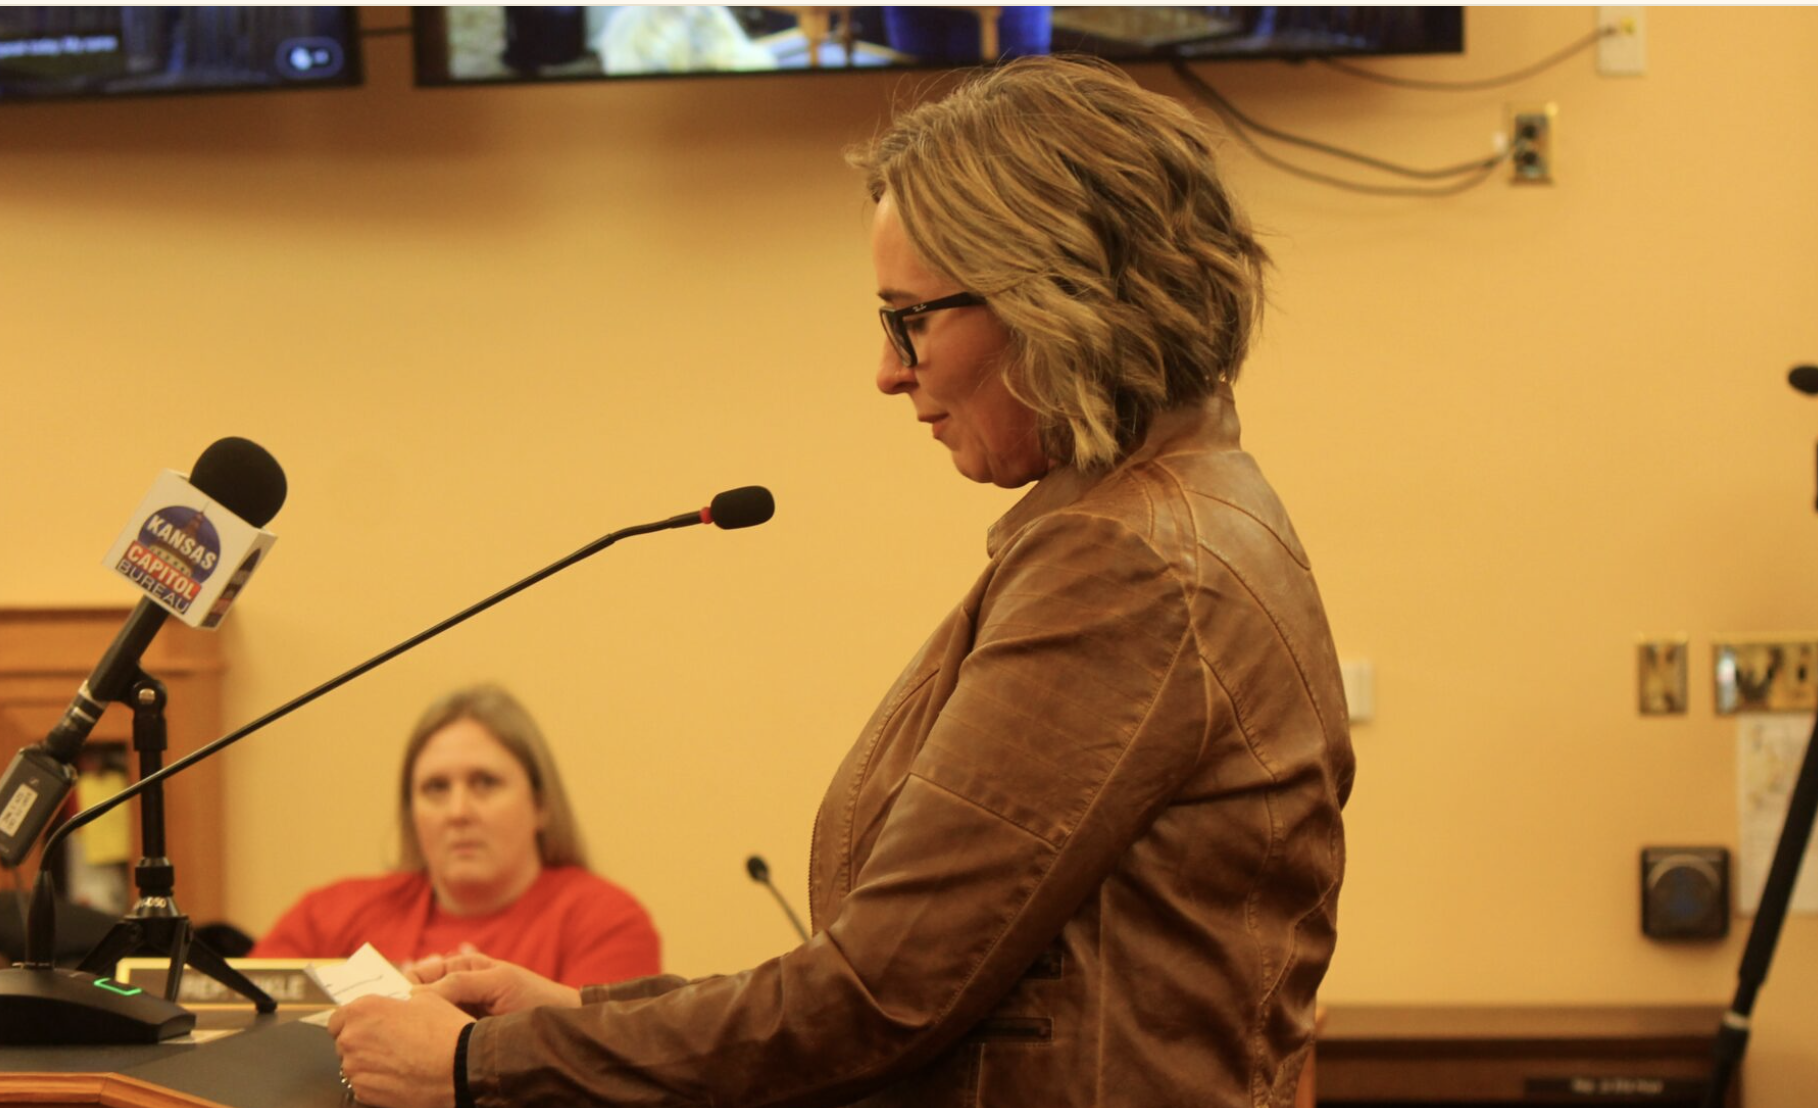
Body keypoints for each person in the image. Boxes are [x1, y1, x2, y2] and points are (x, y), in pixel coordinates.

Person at [329, 56, 1354, 1108]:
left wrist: (474, 1067)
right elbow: (930, 990)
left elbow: (877, 999)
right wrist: (581, 1015)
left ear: (1054, 297)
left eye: (909, 317)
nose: (887, 369)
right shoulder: (1179, 510)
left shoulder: (1128, 562)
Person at [252, 684, 660, 989]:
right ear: (411, 814)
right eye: (436, 788)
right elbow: (236, 1028)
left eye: (485, 782)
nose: (458, 812)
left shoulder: (605, 922)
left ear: (540, 804)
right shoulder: (327, 915)